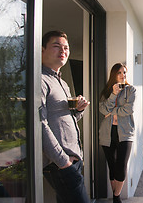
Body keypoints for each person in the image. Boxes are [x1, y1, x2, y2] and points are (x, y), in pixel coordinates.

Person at [41, 30, 90, 203]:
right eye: (56, 46)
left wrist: (79, 110)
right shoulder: (40, 80)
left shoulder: (62, 83)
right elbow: (40, 125)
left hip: (73, 160)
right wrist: (63, 162)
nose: (63, 51)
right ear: (42, 51)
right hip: (60, 163)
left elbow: (65, 121)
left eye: (66, 48)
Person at [99, 63, 136, 203]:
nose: (122, 75)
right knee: (112, 166)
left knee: (121, 166)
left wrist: (111, 112)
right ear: (114, 74)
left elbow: (128, 110)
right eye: (119, 72)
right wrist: (113, 94)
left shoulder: (130, 90)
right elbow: (102, 110)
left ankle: (116, 196)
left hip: (125, 133)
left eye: (124, 72)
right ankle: (116, 197)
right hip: (107, 133)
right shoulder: (106, 91)